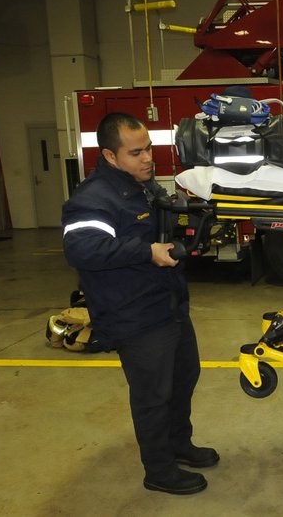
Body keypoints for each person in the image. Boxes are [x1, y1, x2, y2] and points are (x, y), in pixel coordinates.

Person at [61, 112, 219, 495]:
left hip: (168, 305)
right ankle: (159, 469)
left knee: (184, 379)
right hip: (134, 314)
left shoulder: (142, 187)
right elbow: (80, 247)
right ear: (111, 157)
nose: (148, 157)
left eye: (148, 148)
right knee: (153, 395)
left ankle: (179, 444)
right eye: (136, 152)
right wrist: (145, 251)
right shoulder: (93, 198)